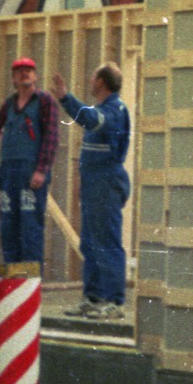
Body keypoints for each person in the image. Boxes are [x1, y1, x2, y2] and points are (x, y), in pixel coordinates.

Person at [49, 64, 132, 321]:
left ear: (102, 82)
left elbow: (91, 120)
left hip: (107, 183)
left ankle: (114, 302)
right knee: (91, 242)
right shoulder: (102, 109)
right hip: (94, 184)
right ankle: (94, 298)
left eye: (94, 75)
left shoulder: (114, 110)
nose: (90, 78)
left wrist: (65, 97)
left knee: (106, 242)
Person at [0, 57, 59, 265]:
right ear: (13, 79)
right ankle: (13, 281)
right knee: (8, 227)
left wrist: (41, 170)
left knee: (30, 228)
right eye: (19, 71)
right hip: (9, 173)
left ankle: (30, 285)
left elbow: (51, 137)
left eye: (28, 70)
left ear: (35, 76)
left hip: (30, 172)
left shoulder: (44, 101)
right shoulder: (9, 104)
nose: (24, 74)